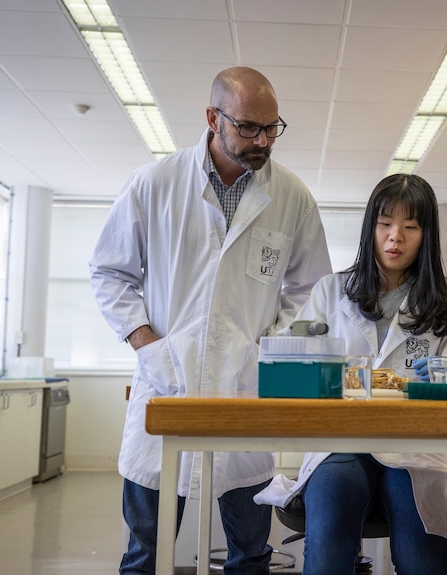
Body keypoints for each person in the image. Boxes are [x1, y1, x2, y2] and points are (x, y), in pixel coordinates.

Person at [89, 66, 333, 575]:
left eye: (272, 128)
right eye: (248, 127)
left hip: (245, 391)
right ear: (212, 118)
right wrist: (148, 344)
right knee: (145, 555)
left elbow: (312, 290)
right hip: (165, 386)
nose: (263, 140)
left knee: (250, 554)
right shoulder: (154, 184)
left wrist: (272, 342)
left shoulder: (291, 197)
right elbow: (110, 273)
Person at [255, 174, 447, 574]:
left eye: (410, 227)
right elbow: (295, 367)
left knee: (421, 560)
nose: (395, 237)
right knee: (327, 549)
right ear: (371, 228)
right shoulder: (331, 291)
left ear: (425, 234)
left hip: (417, 450)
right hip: (343, 442)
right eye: (385, 225)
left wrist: (445, 375)